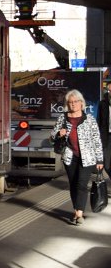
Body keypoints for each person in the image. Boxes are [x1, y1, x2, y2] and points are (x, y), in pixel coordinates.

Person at [52, 89, 104, 225]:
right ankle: (76, 210)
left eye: (76, 102)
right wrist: (59, 134)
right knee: (74, 184)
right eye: (70, 102)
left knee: (81, 184)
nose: (73, 104)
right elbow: (52, 136)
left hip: (88, 158)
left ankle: (79, 213)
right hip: (70, 157)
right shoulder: (63, 118)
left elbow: (96, 139)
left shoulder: (89, 119)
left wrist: (100, 159)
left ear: (81, 103)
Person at [98, 81, 110, 168]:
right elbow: (99, 120)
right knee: (107, 165)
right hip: (107, 136)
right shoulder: (103, 104)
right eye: (109, 90)